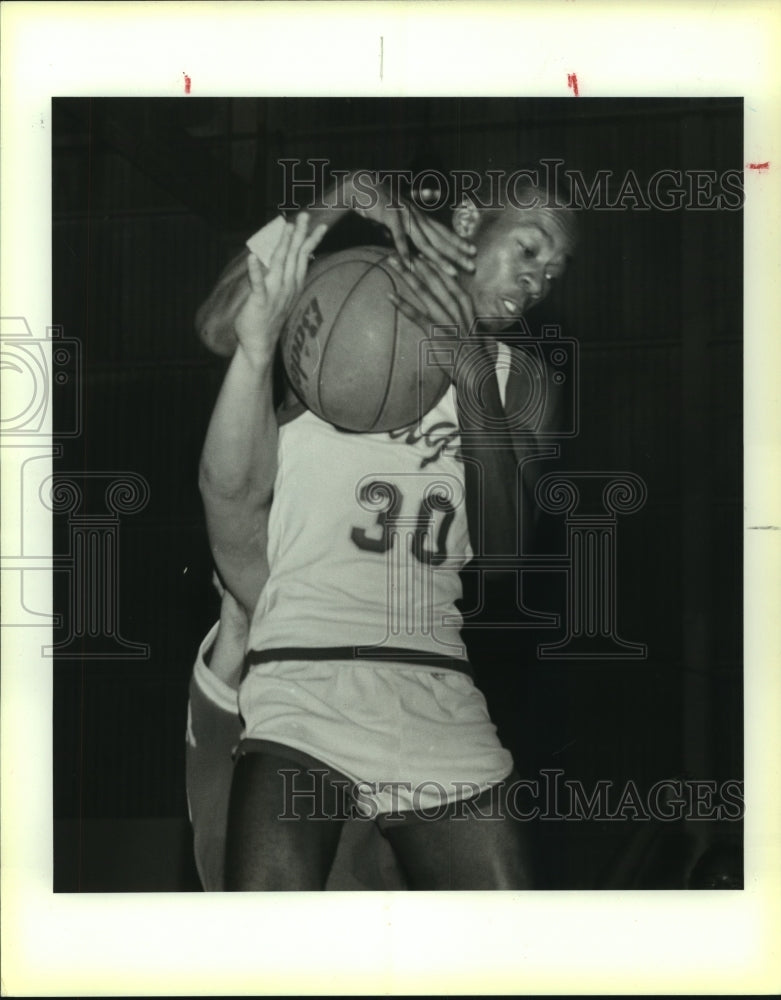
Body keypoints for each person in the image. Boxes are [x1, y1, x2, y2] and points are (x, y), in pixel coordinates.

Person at [195, 168, 576, 890]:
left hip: (436, 687)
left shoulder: (518, 380)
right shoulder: (352, 295)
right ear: (469, 223)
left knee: (518, 956)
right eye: (528, 251)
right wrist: (338, 199)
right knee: (264, 956)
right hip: (306, 678)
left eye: (553, 270)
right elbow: (223, 327)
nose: (538, 280)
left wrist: (466, 369)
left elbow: (503, 558)